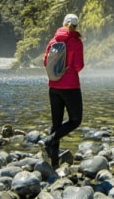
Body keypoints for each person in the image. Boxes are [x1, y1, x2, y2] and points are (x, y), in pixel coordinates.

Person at [41, 13, 84, 168]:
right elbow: (79, 66)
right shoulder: (76, 41)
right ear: (75, 26)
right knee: (75, 120)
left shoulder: (53, 40)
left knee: (56, 124)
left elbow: (45, 61)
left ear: (64, 23)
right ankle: (49, 141)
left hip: (53, 87)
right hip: (70, 86)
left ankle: (54, 164)